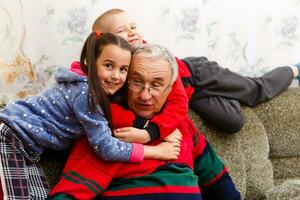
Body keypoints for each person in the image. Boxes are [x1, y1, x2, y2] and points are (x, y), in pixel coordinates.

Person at [0, 33, 181, 199]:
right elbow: (105, 147)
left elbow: (150, 103)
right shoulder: (88, 95)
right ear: (92, 62)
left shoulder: (101, 93)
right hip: (10, 135)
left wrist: (157, 129)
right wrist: (156, 151)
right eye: (109, 66)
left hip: (28, 148)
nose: (116, 76)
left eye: (123, 69)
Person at [48, 44, 241, 200]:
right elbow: (71, 192)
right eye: (137, 82)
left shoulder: (183, 127)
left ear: (170, 89)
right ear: (124, 83)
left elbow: (218, 181)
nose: (145, 95)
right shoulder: (105, 130)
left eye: (156, 85)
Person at [91, 8, 300, 133]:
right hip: (191, 93)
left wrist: (151, 132)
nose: (131, 33)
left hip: (197, 73)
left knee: (255, 91)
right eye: (121, 31)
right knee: (234, 122)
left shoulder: (149, 55)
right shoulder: (116, 72)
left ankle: (294, 70)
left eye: (133, 27)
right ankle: (231, 94)